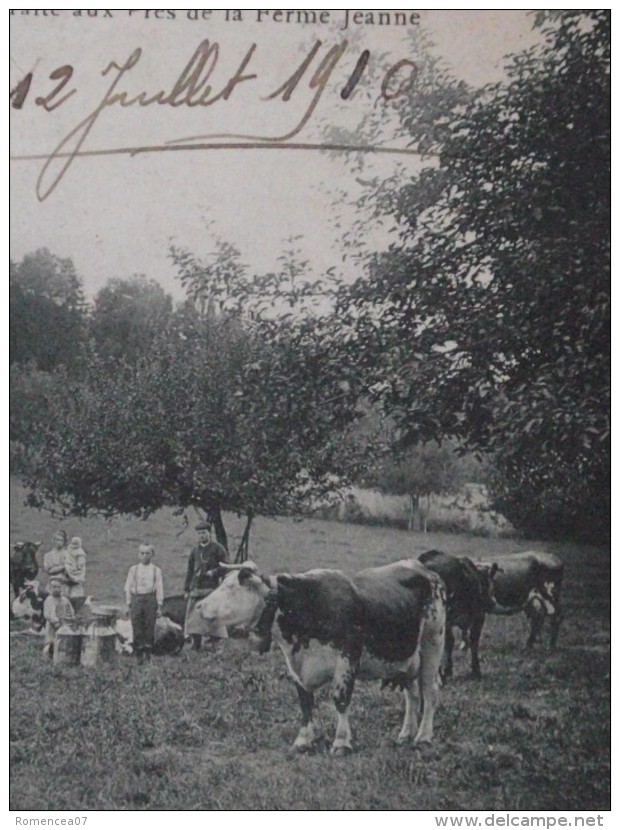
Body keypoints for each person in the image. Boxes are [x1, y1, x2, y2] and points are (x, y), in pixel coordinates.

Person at [184, 521, 229, 651]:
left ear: (209, 533)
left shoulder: (217, 548)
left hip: (212, 588)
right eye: (199, 533)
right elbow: (190, 571)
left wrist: (214, 572)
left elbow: (225, 567)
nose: (202, 535)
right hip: (197, 588)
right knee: (194, 616)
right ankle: (196, 642)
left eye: (204, 533)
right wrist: (187, 588)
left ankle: (215, 644)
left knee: (213, 617)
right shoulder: (195, 551)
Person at [124, 544, 164, 664]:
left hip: (150, 599)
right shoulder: (133, 569)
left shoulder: (156, 570)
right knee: (136, 624)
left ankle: (148, 653)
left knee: (149, 625)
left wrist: (159, 606)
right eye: (142, 553)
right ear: (138, 554)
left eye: (147, 553)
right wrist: (128, 603)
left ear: (152, 555)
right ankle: (138, 654)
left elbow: (159, 588)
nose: (144, 556)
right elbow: (128, 587)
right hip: (137, 599)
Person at [42, 577, 75, 659]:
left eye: (59, 587)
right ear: (50, 588)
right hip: (53, 625)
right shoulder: (49, 600)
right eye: (54, 587)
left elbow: (70, 610)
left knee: (63, 640)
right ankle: (47, 654)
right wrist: (55, 621)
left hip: (64, 624)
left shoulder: (65, 600)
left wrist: (71, 618)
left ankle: (63, 654)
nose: (57, 589)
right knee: (51, 640)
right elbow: (47, 614)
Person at [64, 536, 87, 612]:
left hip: (77, 575)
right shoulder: (69, 549)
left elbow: (80, 565)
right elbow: (67, 559)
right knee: (66, 595)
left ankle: (76, 610)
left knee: (76, 596)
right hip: (68, 574)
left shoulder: (80, 553)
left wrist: (75, 571)